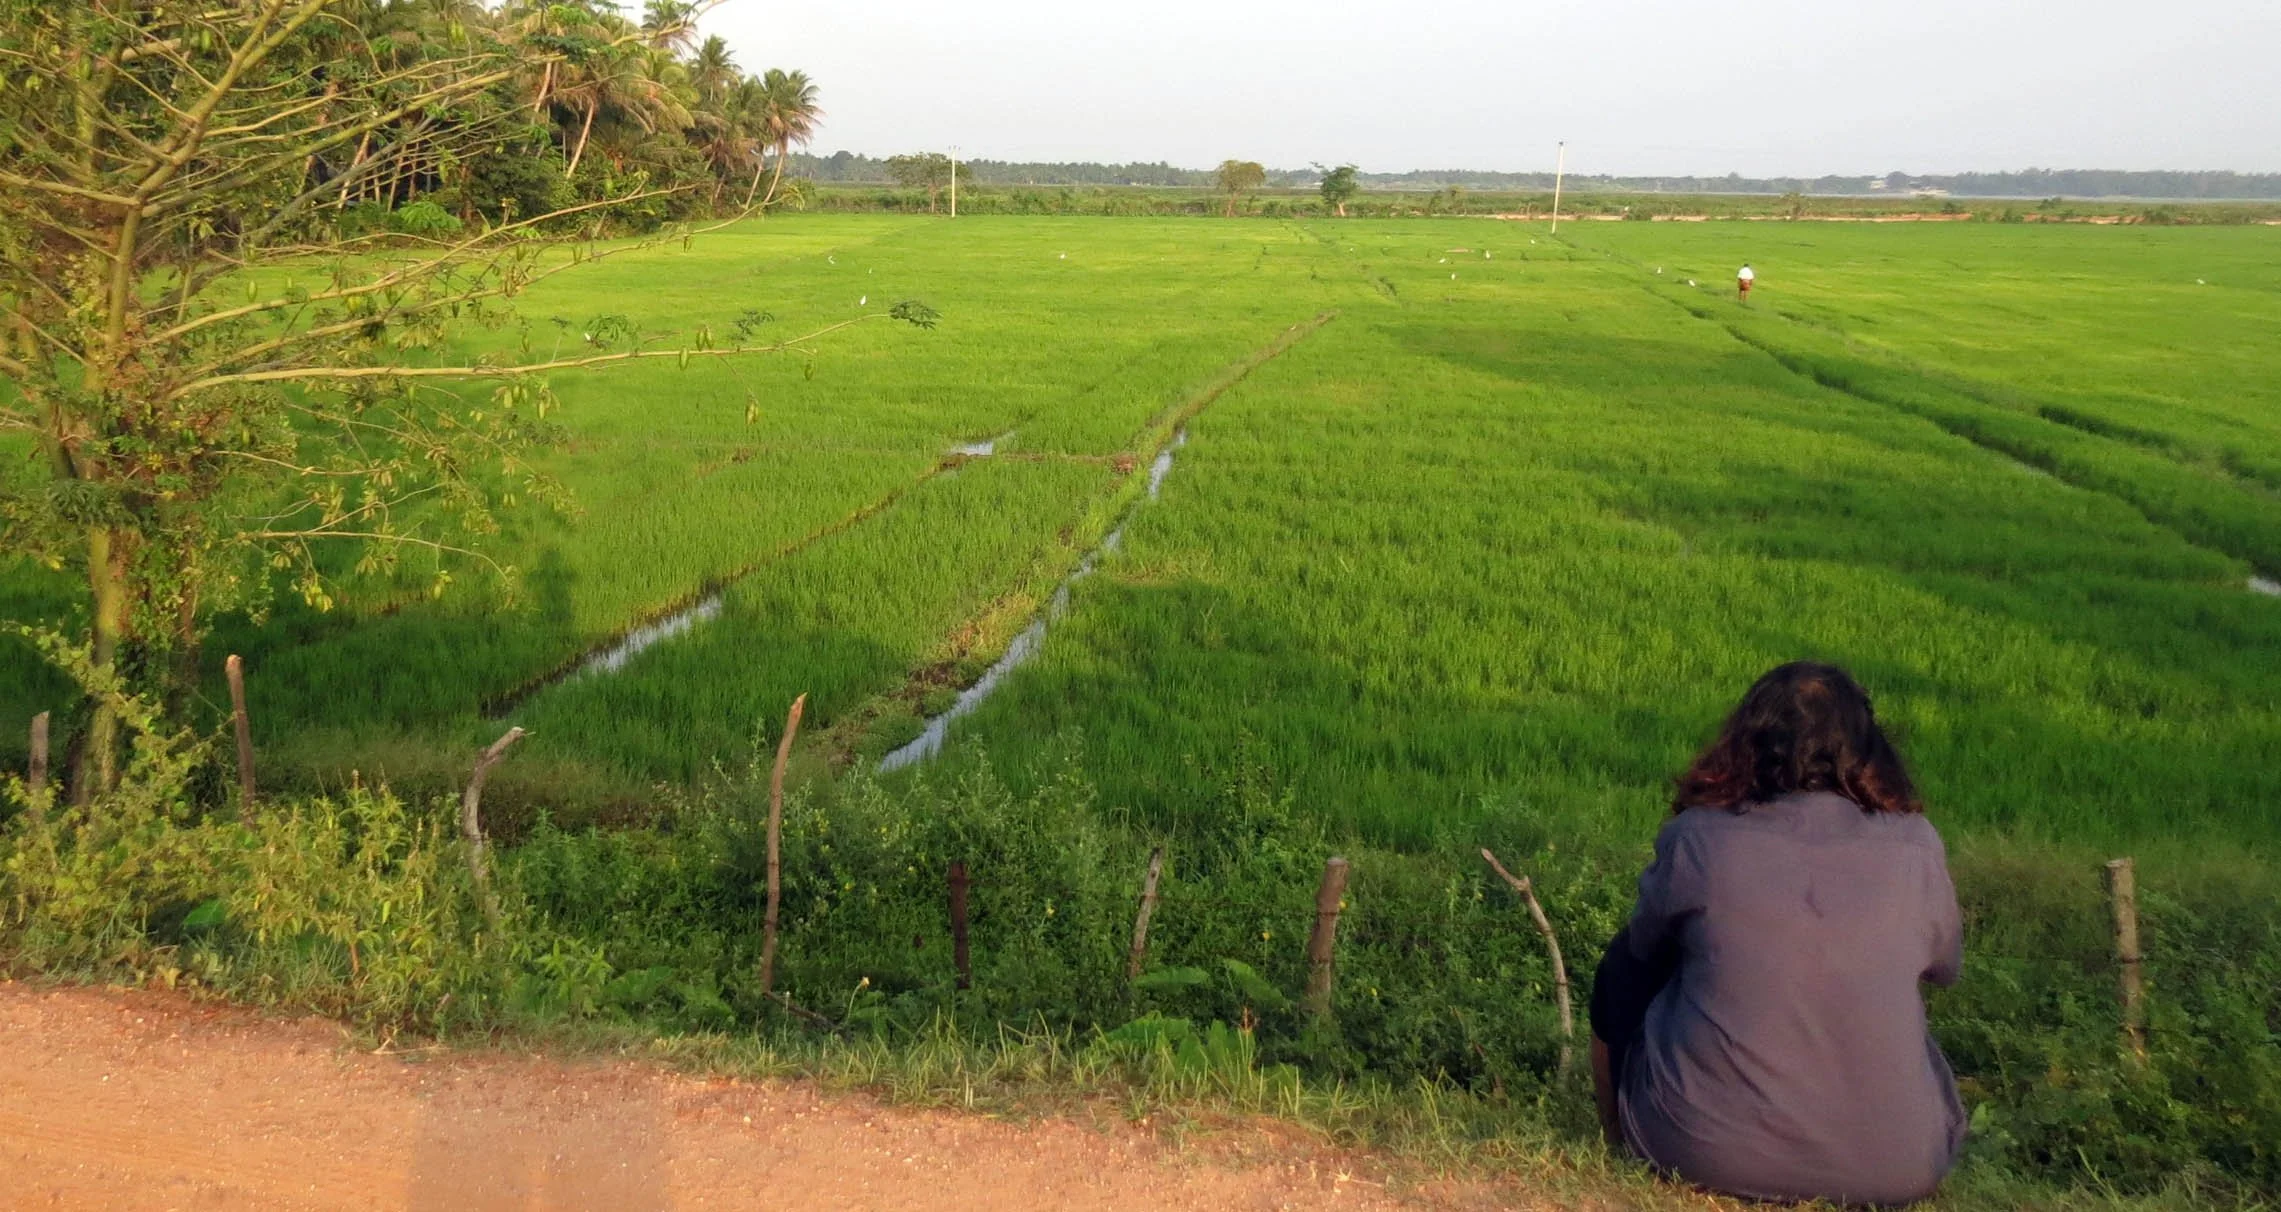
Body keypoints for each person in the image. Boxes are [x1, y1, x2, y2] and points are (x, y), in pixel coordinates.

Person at [1589, 662, 1965, 1207]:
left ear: (1746, 739)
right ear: (1866, 747)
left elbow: (1639, 958)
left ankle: (1618, 1141)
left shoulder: (1701, 837)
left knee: (1627, 966)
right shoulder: (1916, 844)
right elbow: (1944, 966)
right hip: (1899, 1172)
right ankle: (1872, 1133)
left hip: (1703, 1152)